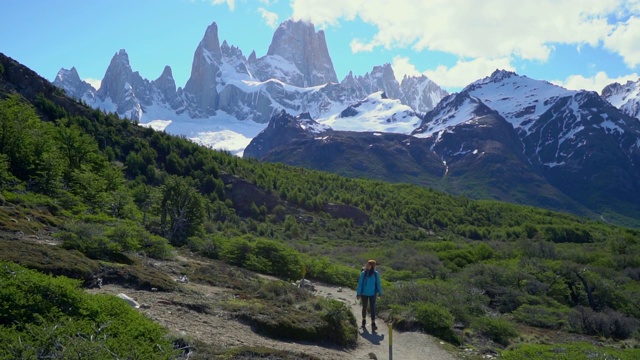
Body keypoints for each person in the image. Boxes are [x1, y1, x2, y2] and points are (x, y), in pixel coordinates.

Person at [356, 259, 383, 331]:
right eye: (367, 264)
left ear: (372, 266)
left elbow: (378, 284)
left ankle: (373, 324)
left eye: (369, 264)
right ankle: (363, 322)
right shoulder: (363, 273)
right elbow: (360, 284)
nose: (367, 265)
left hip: (373, 294)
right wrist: (358, 293)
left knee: (372, 308)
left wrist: (380, 293)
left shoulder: (375, 274)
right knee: (364, 307)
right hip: (364, 293)